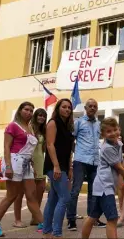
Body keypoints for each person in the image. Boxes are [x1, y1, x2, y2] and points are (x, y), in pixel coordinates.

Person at [0, 102, 44, 237]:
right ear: (19, 110)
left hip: (26, 164)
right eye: (26, 109)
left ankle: (43, 223)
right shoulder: (13, 126)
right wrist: (8, 166)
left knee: (32, 195)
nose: (29, 112)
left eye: (31, 110)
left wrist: (32, 166)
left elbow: (29, 151)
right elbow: (6, 147)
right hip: (14, 162)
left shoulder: (30, 128)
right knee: (11, 196)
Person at [81, 117, 124, 239]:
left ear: (119, 129)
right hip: (104, 187)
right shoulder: (107, 148)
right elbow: (120, 168)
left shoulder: (118, 144)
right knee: (112, 218)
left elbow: (122, 163)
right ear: (103, 134)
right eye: (109, 131)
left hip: (103, 186)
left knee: (93, 216)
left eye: (115, 129)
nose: (113, 133)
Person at [67, 99, 106, 231]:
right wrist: (77, 153)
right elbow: (72, 140)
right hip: (80, 161)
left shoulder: (99, 124)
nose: (92, 108)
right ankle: (71, 220)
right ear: (85, 107)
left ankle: (93, 218)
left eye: (95, 106)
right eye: (90, 106)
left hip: (95, 162)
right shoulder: (79, 122)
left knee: (94, 191)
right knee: (75, 191)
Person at [43, 99, 75, 238]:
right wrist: (56, 166)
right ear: (58, 108)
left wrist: (69, 168)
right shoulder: (53, 122)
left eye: (69, 108)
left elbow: (69, 150)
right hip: (54, 166)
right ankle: (56, 233)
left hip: (63, 166)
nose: (67, 110)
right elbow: (50, 145)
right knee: (65, 197)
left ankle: (46, 232)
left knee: (53, 199)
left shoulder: (68, 126)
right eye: (64, 107)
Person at [13, 108, 48, 228]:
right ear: (35, 116)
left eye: (44, 116)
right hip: (28, 162)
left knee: (41, 189)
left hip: (40, 161)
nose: (41, 118)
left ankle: (35, 218)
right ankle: (17, 219)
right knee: (21, 192)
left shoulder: (44, 130)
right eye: (39, 115)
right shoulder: (29, 127)